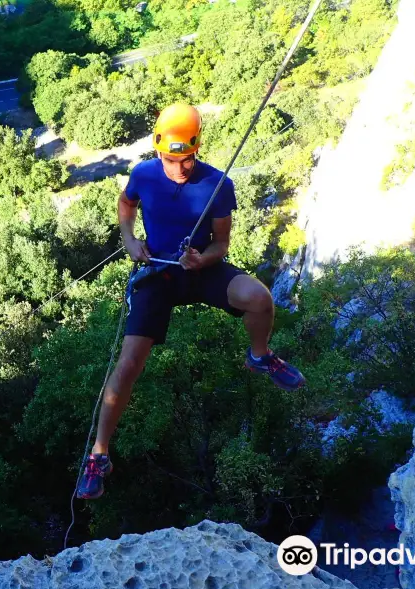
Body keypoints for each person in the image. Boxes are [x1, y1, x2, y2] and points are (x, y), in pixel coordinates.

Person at [76, 103, 306, 500]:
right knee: (128, 364)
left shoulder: (217, 184)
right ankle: (99, 454)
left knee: (260, 299)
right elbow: (126, 203)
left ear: (197, 148)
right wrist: (130, 241)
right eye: (170, 158)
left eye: (186, 159)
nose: (179, 168)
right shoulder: (144, 174)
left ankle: (260, 354)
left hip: (199, 268)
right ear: (158, 148)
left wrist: (204, 259)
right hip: (159, 274)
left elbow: (221, 244)